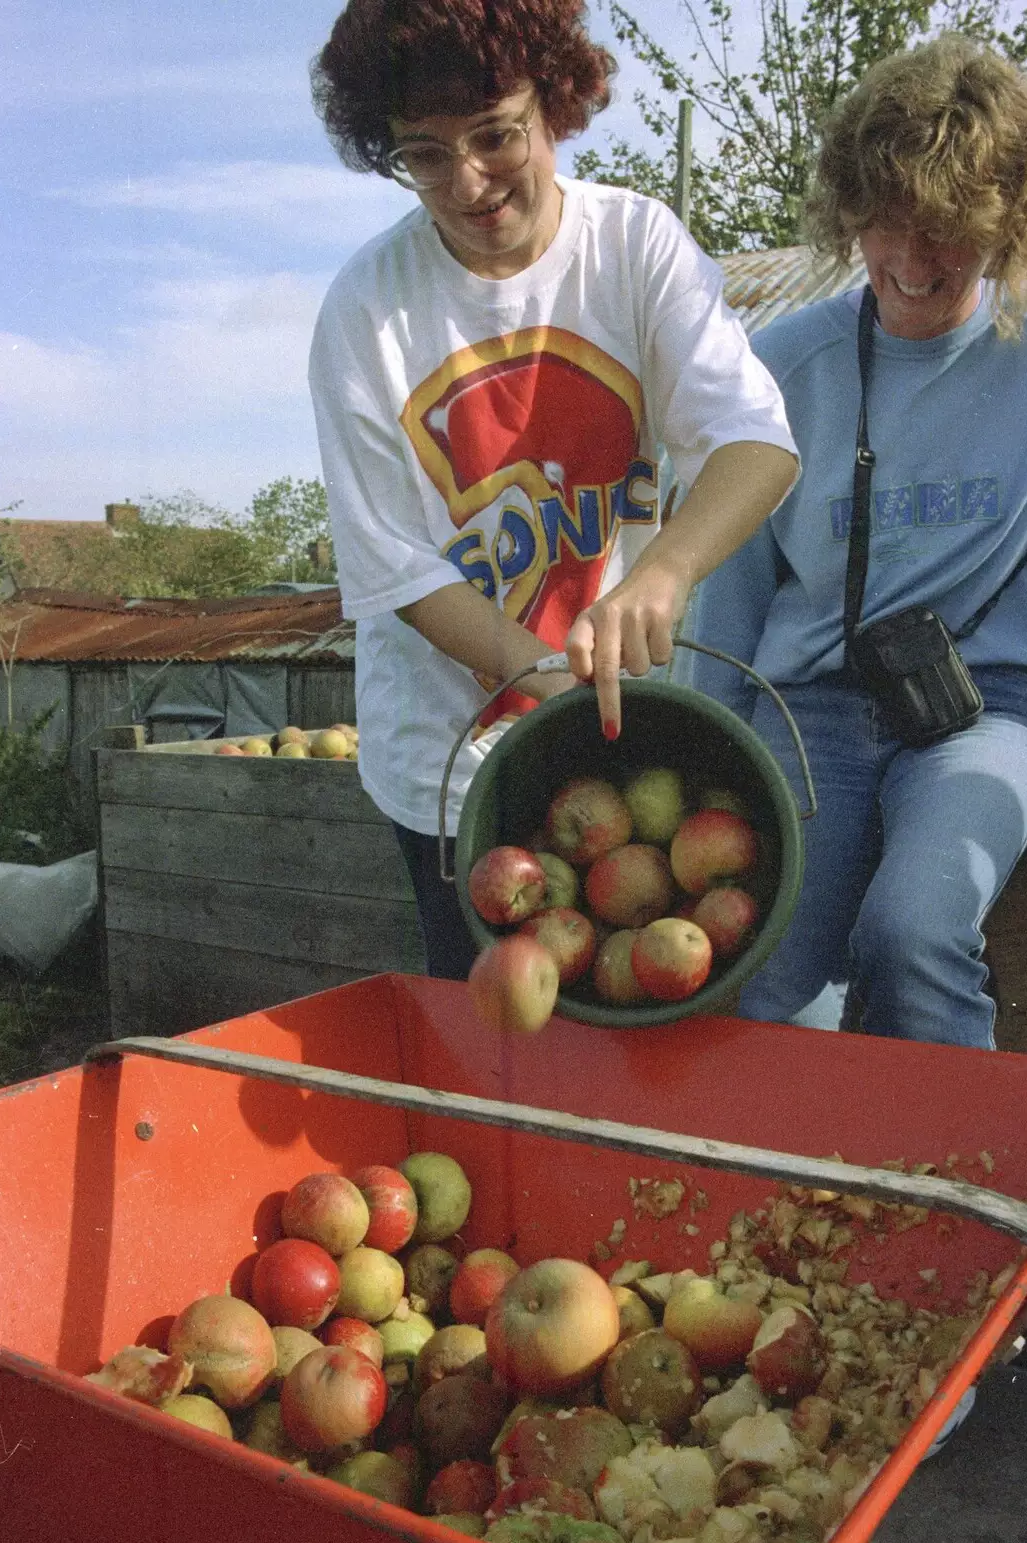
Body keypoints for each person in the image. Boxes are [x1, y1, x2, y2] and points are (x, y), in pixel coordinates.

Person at [307, 0, 799, 978]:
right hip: (448, 767)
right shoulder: (366, 312)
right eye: (425, 155)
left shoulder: (634, 248)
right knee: (501, 1036)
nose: (468, 182)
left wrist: (661, 574)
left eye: (496, 138)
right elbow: (394, 568)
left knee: (635, 1012)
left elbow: (754, 442)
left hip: (620, 732)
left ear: (556, 107)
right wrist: (535, 677)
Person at [693, 33, 1027, 1050]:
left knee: (913, 931)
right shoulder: (781, 360)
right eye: (889, 226)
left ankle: (951, 1197)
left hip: (980, 714)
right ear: (848, 209)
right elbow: (732, 576)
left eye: (948, 233)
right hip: (804, 718)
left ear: (1006, 230)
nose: (914, 263)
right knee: (756, 976)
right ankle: (801, 1194)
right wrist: (708, 746)